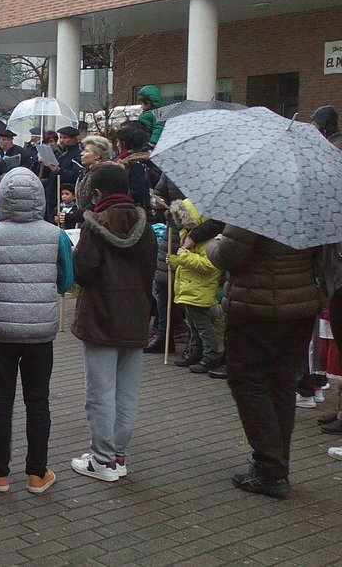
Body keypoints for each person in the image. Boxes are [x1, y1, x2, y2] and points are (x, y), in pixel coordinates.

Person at [0, 167, 74, 495]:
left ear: (3, 200)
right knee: (38, 400)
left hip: (0, 330)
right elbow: (66, 281)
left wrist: (0, 296)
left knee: (0, 399)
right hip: (41, 330)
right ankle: (36, 474)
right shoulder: (56, 235)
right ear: (40, 199)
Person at [206, 218, 325, 498]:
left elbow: (229, 255)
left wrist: (214, 245)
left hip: (256, 308)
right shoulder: (311, 204)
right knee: (281, 384)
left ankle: (270, 468)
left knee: (249, 383)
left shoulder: (255, 203)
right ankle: (276, 464)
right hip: (301, 305)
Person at [69, 163, 157, 482]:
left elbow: (83, 273)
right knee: (127, 392)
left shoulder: (94, 225)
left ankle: (102, 460)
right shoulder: (145, 225)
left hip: (101, 316)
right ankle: (118, 455)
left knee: (100, 391)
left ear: (98, 192)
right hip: (135, 316)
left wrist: (75, 251)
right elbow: (150, 270)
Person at [168, 200, 223, 373]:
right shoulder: (188, 237)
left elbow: (209, 265)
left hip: (201, 291)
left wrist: (183, 257)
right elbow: (187, 265)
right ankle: (195, 351)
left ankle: (211, 353)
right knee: (192, 325)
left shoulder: (208, 242)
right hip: (190, 290)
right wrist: (175, 261)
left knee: (203, 327)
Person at [113, 122, 159, 217]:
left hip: (136, 214)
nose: (117, 145)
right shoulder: (144, 159)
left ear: (124, 144)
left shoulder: (135, 164)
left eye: (118, 142)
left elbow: (137, 193)